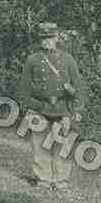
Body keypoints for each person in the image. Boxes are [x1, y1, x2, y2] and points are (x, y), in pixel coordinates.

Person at [18, 22, 86, 191]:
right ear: (40, 41)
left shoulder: (67, 59)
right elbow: (23, 89)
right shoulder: (32, 60)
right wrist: (34, 105)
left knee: (63, 146)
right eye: (43, 38)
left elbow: (78, 86)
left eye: (50, 37)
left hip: (63, 109)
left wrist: (77, 109)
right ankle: (44, 179)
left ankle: (61, 179)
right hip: (40, 108)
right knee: (39, 144)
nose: (47, 41)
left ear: (57, 38)